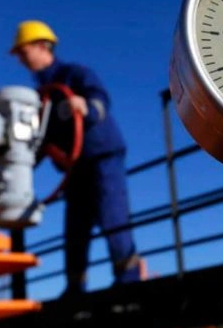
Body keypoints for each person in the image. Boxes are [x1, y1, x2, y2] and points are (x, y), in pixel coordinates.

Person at [9, 20, 141, 297]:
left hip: (102, 157)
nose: (20, 59)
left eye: (23, 51)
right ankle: (74, 288)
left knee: (112, 217)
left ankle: (129, 280)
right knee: (75, 229)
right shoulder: (40, 96)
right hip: (74, 168)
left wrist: (85, 107)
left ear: (42, 46)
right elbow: (42, 141)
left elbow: (100, 100)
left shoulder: (75, 74)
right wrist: (17, 166)